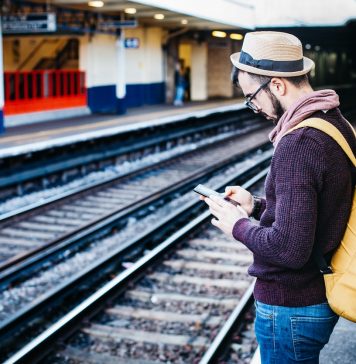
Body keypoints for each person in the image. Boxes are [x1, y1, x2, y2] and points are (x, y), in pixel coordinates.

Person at [201, 31, 356, 363]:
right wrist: (255, 206)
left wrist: (237, 225)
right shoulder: (336, 123)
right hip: (314, 295)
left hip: (291, 305)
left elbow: (288, 248)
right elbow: (318, 208)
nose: (253, 107)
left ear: (277, 85)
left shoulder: (298, 144)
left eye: (251, 96)